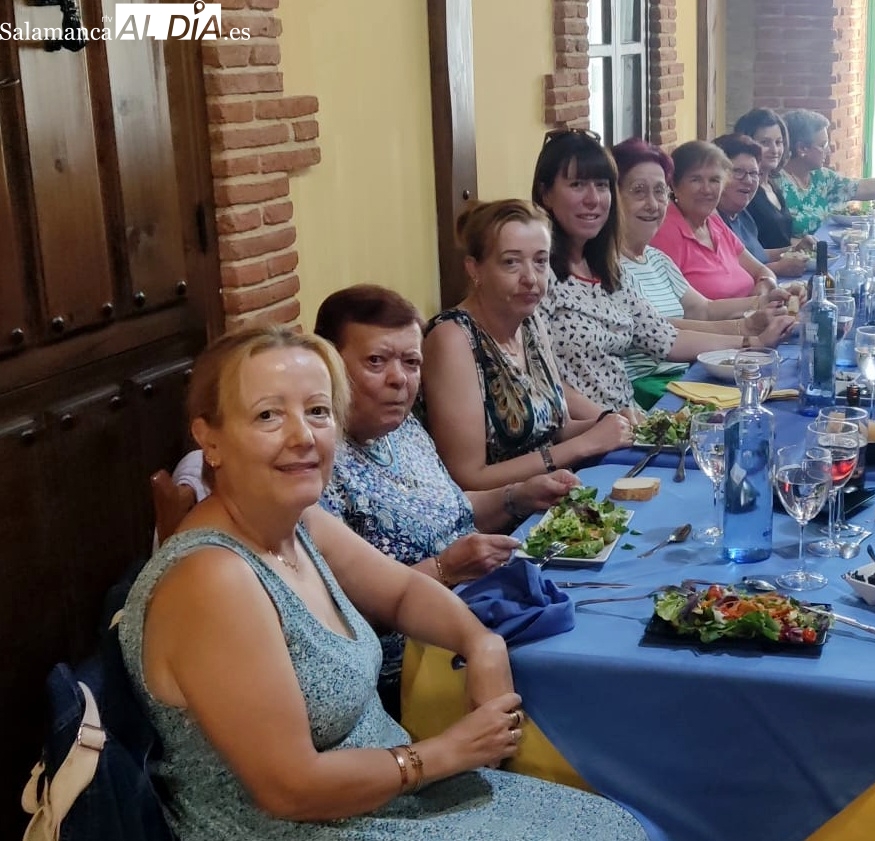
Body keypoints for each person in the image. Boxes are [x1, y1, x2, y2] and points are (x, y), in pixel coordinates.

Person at [118, 326, 646, 839]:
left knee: (616, 820)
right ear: (209, 437)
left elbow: (402, 591)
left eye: (318, 411)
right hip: (296, 827)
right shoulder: (213, 578)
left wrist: (479, 642)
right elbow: (289, 790)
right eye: (268, 415)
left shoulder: (298, 523)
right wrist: (446, 752)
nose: (303, 436)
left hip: (383, 797)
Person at [311, 285, 580, 715]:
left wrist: (518, 497)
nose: (400, 379)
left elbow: (450, 511)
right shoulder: (318, 465)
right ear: (327, 365)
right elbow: (331, 615)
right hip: (413, 673)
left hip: (484, 612)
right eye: (376, 361)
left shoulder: (405, 429)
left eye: (411, 362)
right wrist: (445, 570)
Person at [534, 130, 792, 411]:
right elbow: (542, 379)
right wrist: (606, 425)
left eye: (601, 185)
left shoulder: (606, 270)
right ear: (546, 193)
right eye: (577, 185)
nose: (593, 198)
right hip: (595, 435)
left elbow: (665, 337)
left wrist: (752, 342)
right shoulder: (537, 274)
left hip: (629, 423)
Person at [422, 198, 636, 492]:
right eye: (511, 262)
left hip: (559, 491)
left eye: (540, 261)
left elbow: (556, 431)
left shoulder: (531, 321)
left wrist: (608, 421)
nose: (530, 278)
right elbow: (467, 478)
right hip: (502, 520)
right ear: (475, 269)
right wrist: (584, 445)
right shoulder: (453, 338)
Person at [611, 137, 796, 406]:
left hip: (691, 372)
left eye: (659, 191)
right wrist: (747, 336)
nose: (653, 204)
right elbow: (663, 330)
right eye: (638, 191)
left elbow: (703, 309)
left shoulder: (654, 258)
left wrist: (761, 306)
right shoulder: (610, 266)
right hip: (652, 390)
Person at [651, 139, 780, 299]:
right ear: (674, 185)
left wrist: (766, 284)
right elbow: (686, 310)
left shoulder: (714, 222)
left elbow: (762, 270)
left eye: (714, 180)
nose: (706, 189)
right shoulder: (665, 232)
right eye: (695, 180)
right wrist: (755, 306)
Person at [710, 133, 812, 277]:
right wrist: (776, 268)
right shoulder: (712, 221)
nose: (748, 180)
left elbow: (756, 255)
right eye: (738, 172)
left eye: (754, 173)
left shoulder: (742, 214)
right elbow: (726, 274)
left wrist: (794, 250)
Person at [776, 108, 875, 237]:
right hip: (792, 255)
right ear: (802, 148)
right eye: (823, 145)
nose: (829, 151)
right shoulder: (777, 184)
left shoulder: (822, 177)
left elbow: (862, 187)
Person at [733, 108, 798, 250]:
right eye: (765, 143)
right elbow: (749, 253)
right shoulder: (745, 191)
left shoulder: (773, 186)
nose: (775, 150)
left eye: (779, 142)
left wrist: (799, 247)